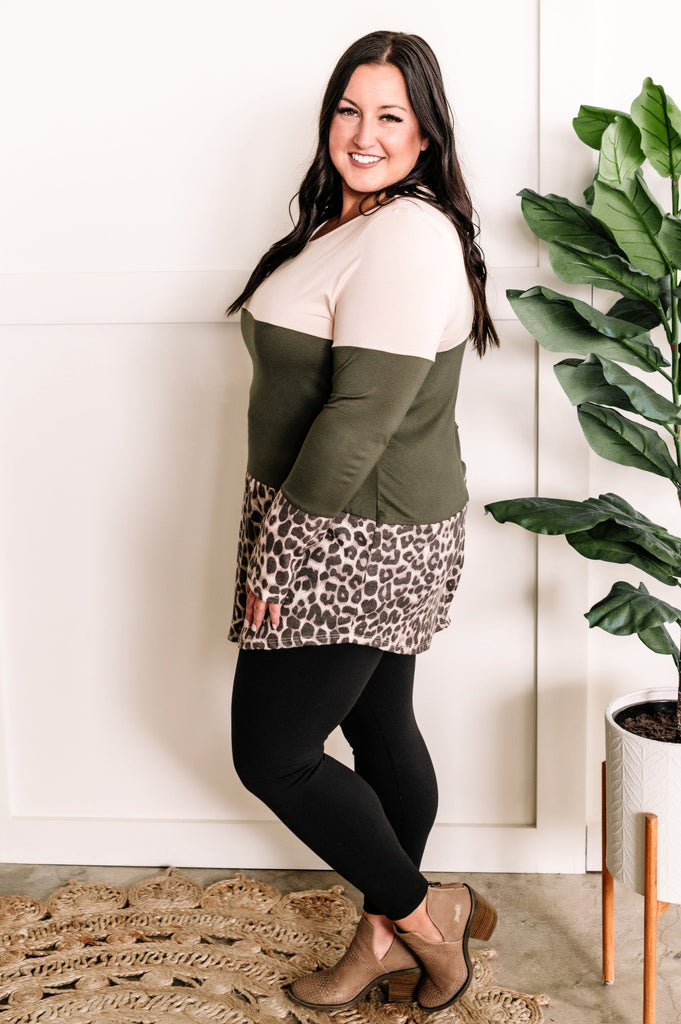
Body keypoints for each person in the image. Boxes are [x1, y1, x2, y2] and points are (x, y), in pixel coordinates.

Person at [226, 30, 500, 1014]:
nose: (364, 132)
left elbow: (358, 421)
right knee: (380, 728)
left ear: (426, 135)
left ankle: (428, 918)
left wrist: (280, 558)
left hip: (355, 536)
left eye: (391, 115)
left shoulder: (406, 235)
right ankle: (382, 938)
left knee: (273, 755)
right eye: (349, 109)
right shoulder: (351, 224)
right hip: (348, 521)